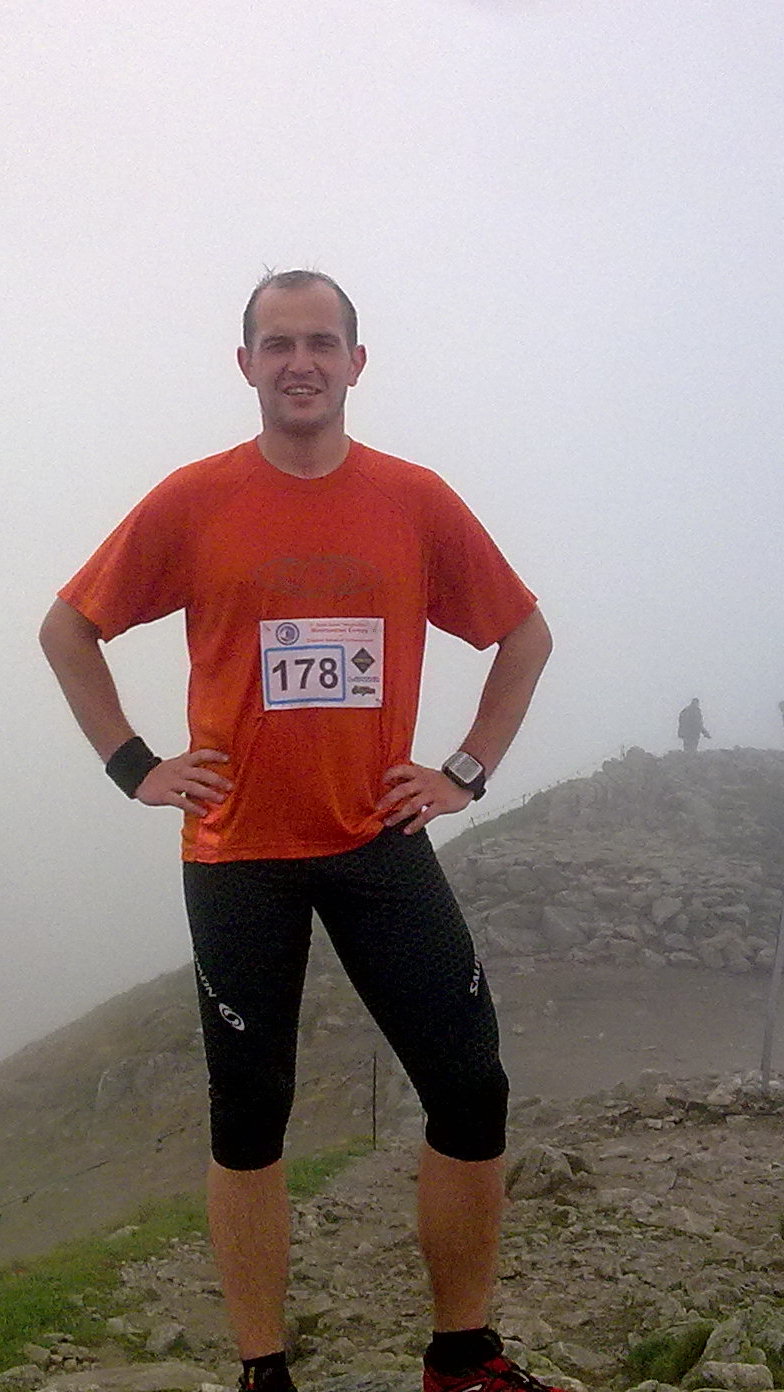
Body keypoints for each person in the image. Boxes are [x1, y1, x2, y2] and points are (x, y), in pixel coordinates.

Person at [40, 270, 554, 1392]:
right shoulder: (194, 500)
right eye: (277, 345)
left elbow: (523, 636)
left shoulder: (413, 500)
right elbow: (68, 628)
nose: (300, 363)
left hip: (375, 841)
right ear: (246, 366)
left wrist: (465, 771)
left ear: (357, 363)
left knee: (471, 1089)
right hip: (238, 855)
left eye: (321, 342)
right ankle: (262, 1372)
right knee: (250, 1118)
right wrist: (135, 766)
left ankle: (462, 1356)